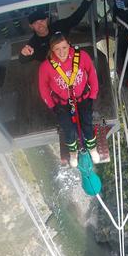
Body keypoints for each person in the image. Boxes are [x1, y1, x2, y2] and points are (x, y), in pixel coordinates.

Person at [38, 33, 100, 168]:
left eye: (64, 47)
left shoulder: (81, 56)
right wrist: (52, 105)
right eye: (57, 49)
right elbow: (43, 88)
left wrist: (92, 95)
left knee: (87, 124)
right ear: (52, 50)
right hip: (62, 103)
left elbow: (92, 74)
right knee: (68, 129)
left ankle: (93, 149)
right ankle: (73, 153)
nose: (61, 52)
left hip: (83, 98)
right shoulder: (46, 67)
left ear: (69, 45)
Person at [19, 0, 92, 64]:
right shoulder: (33, 43)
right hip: (54, 71)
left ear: (46, 20)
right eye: (35, 23)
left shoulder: (58, 26)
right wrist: (24, 54)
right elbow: (22, 60)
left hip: (72, 62)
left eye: (42, 21)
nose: (40, 25)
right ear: (31, 26)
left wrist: (87, 1)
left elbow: (75, 18)